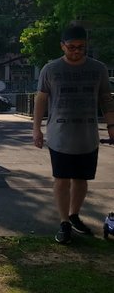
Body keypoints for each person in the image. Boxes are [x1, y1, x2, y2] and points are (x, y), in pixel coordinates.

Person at [33, 25, 114, 244]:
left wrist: (111, 125)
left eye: (81, 48)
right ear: (63, 46)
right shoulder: (50, 69)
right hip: (60, 135)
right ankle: (63, 222)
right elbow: (40, 99)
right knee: (61, 179)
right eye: (72, 47)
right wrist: (36, 128)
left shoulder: (98, 69)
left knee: (81, 179)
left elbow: (106, 98)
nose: (77, 51)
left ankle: (74, 214)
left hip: (88, 136)